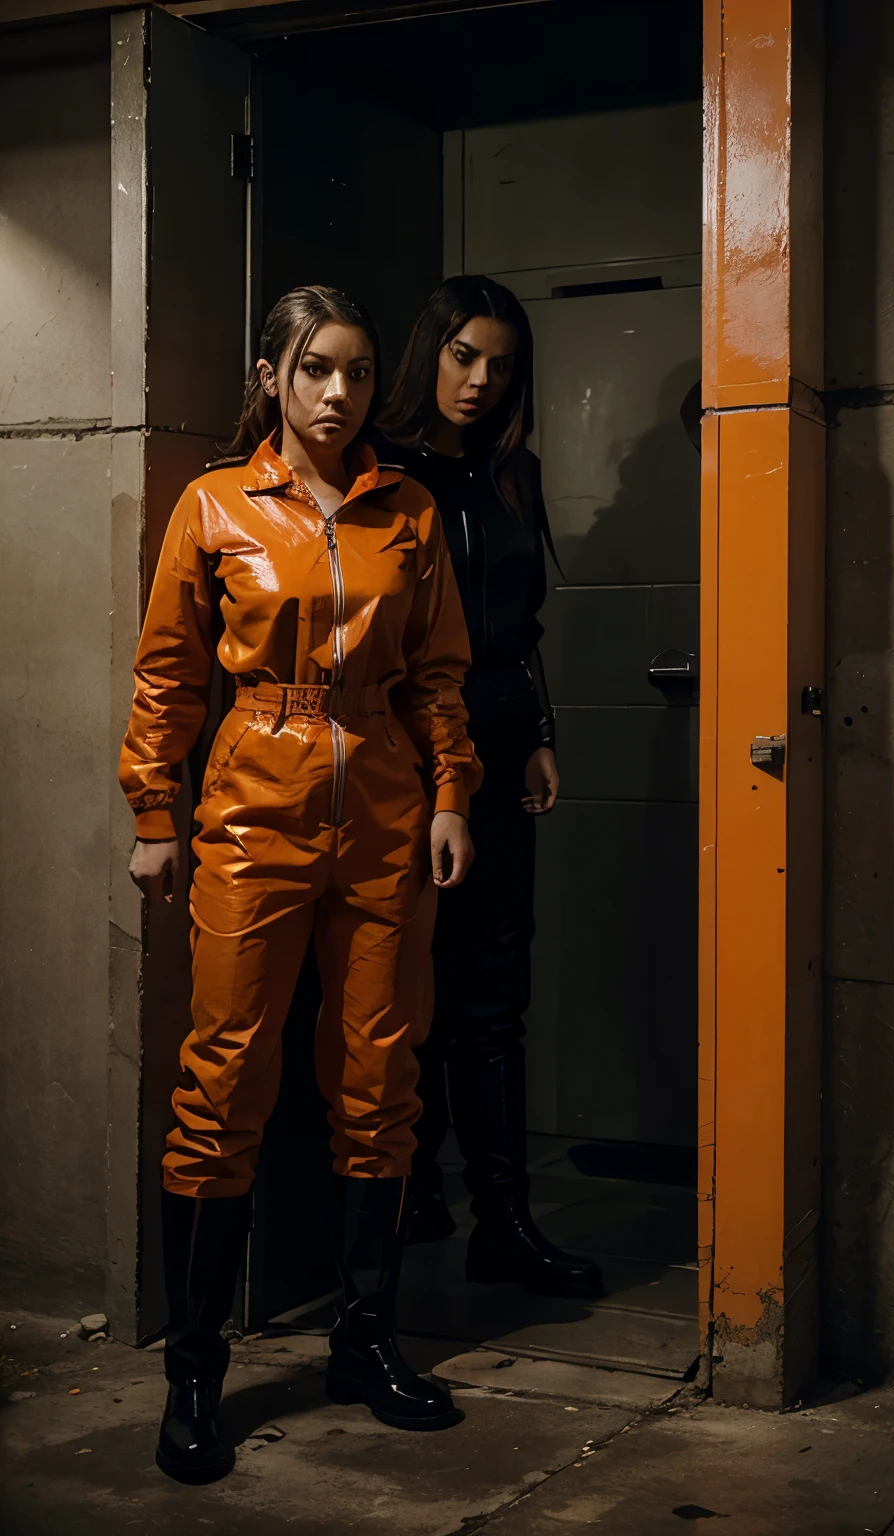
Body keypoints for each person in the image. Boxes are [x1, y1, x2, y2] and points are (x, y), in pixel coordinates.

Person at [120, 285, 480, 1484]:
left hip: (383, 808)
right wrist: (155, 813)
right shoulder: (216, 505)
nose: (341, 394)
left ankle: (363, 1342)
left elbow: (438, 674)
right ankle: (194, 1375)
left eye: (362, 372)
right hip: (250, 808)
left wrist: (448, 797)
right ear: (273, 375)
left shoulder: (409, 509)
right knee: (223, 1074)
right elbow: (169, 672)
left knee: (380, 1073)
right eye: (317, 370)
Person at [373, 276, 602, 1299]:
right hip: (407, 747)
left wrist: (541, 734)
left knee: (494, 985)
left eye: (500, 363)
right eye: (464, 354)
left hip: (502, 742)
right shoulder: (378, 469)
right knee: (400, 974)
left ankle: (502, 1220)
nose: (479, 379)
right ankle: (407, 1186)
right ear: (429, 351)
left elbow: (522, 624)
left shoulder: (514, 474)